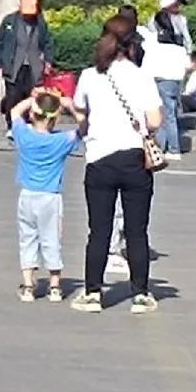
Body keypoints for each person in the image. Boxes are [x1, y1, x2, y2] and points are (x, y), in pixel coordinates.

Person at [68, 31, 164, 314]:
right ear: (132, 47)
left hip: (99, 159)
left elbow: (80, 111)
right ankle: (141, 293)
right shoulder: (142, 76)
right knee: (137, 231)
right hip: (134, 158)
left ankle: (93, 293)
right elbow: (155, 120)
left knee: (99, 230)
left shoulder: (89, 75)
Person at [11, 90, 81, 303]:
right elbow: (84, 128)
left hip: (27, 194)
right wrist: (71, 106)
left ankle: (28, 285)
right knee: (51, 239)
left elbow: (14, 111)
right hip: (50, 196)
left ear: (32, 114)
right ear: (56, 117)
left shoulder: (23, 134)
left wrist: (32, 99)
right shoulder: (62, 140)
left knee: (27, 238)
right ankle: (54, 285)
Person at [139, 0, 193, 158]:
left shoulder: (153, 41)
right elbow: (186, 49)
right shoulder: (177, 46)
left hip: (160, 78)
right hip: (175, 78)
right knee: (170, 113)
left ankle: (170, 148)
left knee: (165, 115)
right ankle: (166, 146)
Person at [0, 0, 50, 121]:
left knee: (31, 97)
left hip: (33, 66)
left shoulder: (40, 23)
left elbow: (47, 43)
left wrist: (48, 61)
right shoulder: (9, 21)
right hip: (13, 66)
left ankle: (28, 123)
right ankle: (11, 124)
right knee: (13, 96)